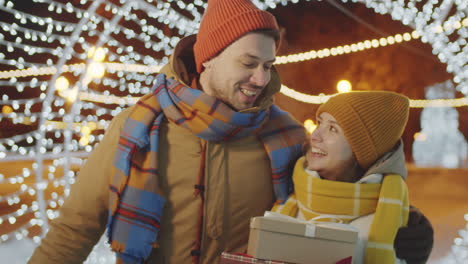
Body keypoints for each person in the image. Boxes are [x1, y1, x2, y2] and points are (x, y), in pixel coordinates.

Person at [29, 0, 433, 263]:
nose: (261, 78)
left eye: (269, 65)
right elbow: (75, 227)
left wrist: (408, 228)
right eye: (248, 63)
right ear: (208, 59)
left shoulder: (284, 135)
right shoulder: (138, 127)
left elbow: (342, 197)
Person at [272, 91, 419, 263]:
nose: (315, 136)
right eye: (320, 123)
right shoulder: (287, 188)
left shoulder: (392, 224)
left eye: (333, 129)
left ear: (361, 151)